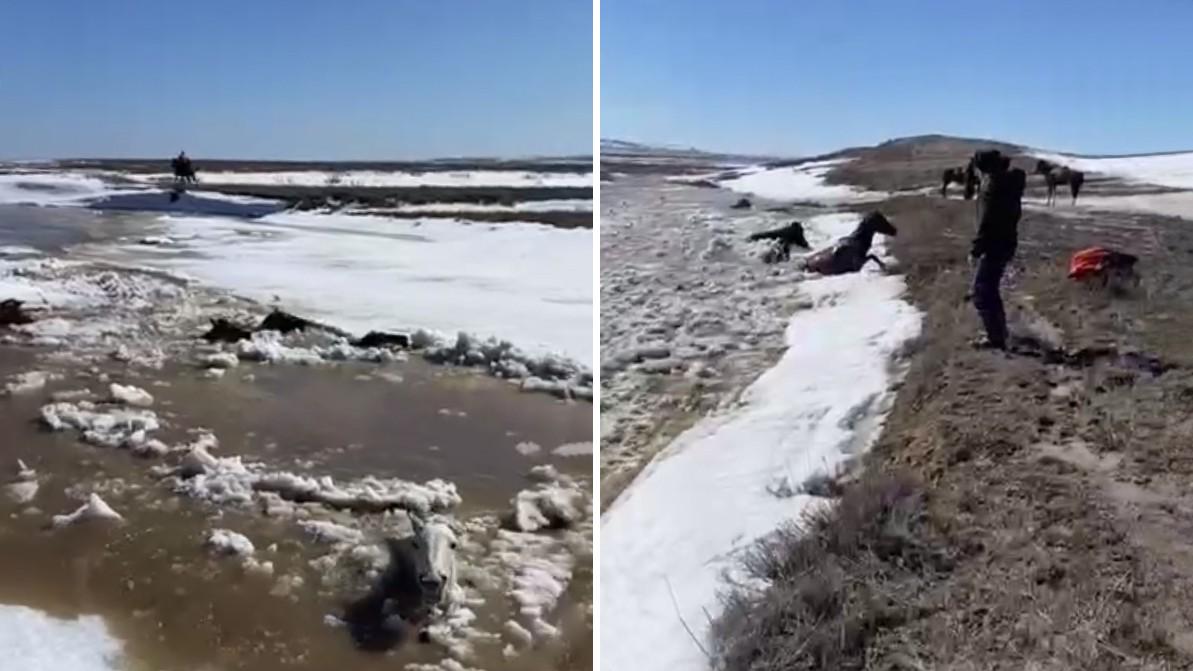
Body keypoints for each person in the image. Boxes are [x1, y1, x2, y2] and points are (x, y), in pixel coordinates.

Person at [970, 149, 1025, 350]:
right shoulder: (1008, 182)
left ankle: (997, 339)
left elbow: (987, 221)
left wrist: (976, 248)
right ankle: (1000, 333)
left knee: (981, 292)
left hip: (994, 244)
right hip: (1007, 241)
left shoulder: (991, 184)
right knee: (989, 290)